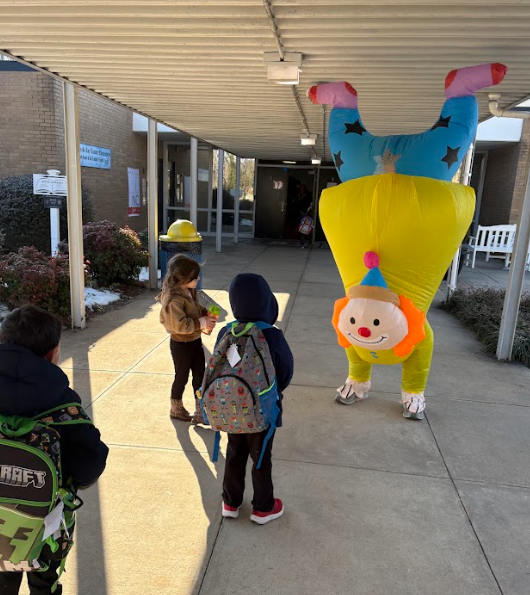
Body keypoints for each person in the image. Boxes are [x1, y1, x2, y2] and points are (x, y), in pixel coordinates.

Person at [0, 305, 109, 595]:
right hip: (46, 523)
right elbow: (91, 461)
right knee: (43, 581)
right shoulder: (62, 403)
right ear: (53, 353)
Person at [217, 274, 294, 524]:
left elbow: (218, 366)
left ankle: (230, 502)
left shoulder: (227, 331)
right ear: (266, 301)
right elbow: (285, 371)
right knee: (261, 456)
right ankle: (263, 507)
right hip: (263, 410)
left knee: (234, 452)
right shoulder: (272, 335)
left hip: (232, 408)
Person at [158, 254, 216, 423]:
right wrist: (202, 321)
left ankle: (200, 411)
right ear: (182, 279)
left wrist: (206, 313)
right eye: (194, 277)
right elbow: (179, 325)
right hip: (180, 344)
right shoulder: (173, 300)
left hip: (195, 341)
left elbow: (195, 309)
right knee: (181, 376)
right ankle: (176, 408)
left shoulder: (188, 291)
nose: (198, 279)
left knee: (200, 375)